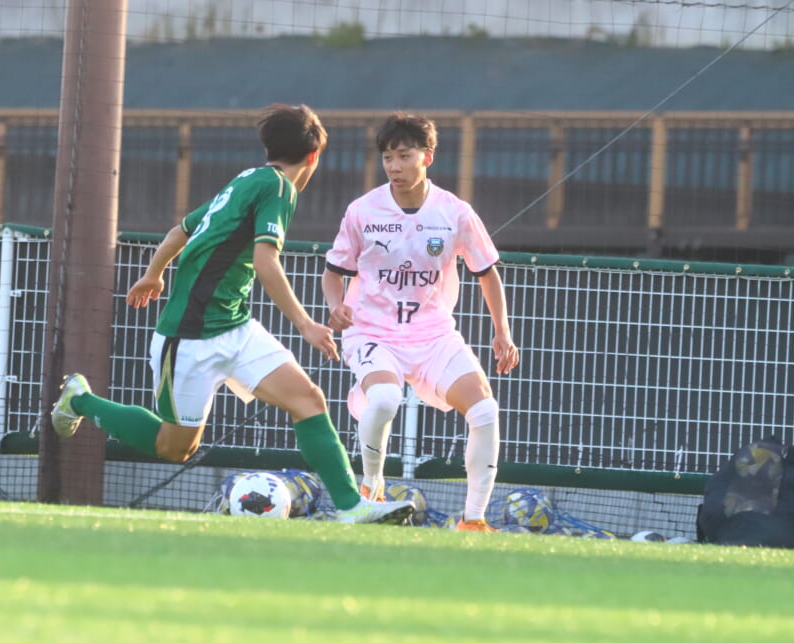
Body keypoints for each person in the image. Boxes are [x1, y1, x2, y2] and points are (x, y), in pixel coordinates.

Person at [50, 103, 414, 525]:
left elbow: (180, 230)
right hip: (188, 337)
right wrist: (306, 324)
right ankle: (80, 399)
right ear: (314, 156)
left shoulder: (246, 179)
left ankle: (351, 507)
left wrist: (154, 274)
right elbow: (265, 261)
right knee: (174, 447)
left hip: (236, 327)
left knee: (308, 400)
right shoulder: (278, 188)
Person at [322, 111, 520, 533]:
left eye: (404, 156)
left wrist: (502, 332)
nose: (394, 166)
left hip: (434, 336)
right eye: (387, 157)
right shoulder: (362, 211)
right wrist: (336, 306)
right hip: (373, 333)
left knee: (485, 409)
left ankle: (473, 520)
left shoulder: (455, 212)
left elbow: (487, 273)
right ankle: (371, 489)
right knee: (384, 400)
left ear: (427, 157)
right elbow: (333, 272)